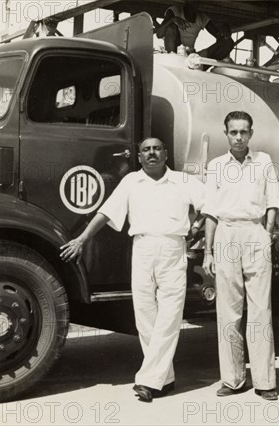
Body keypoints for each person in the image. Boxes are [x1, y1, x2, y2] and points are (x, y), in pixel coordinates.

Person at [60, 137, 204, 402]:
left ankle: (149, 381)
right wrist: (82, 239)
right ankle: (165, 378)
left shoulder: (183, 181)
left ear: (166, 154)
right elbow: (105, 212)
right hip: (142, 249)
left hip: (173, 249)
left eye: (156, 149)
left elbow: (211, 204)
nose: (152, 153)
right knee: (145, 318)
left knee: (169, 317)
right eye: (146, 150)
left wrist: (195, 229)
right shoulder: (130, 182)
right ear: (139, 157)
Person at [202, 111, 279, 401]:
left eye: (243, 132)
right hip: (226, 233)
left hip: (255, 231)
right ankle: (233, 379)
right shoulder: (216, 166)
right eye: (233, 132)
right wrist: (208, 251)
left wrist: (267, 234)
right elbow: (210, 210)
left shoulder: (264, 161)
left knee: (260, 309)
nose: (238, 137)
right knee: (229, 311)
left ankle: (265, 380)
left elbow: (273, 202)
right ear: (226, 134)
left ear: (251, 133)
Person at [155, 2, 234, 59]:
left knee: (228, 43)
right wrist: (173, 19)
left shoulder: (202, 18)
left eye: (195, 3)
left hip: (191, 56)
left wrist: (225, 28)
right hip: (175, 53)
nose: (192, 6)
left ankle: (203, 65)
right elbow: (159, 34)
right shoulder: (174, 11)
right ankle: (172, 59)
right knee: (171, 28)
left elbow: (220, 36)